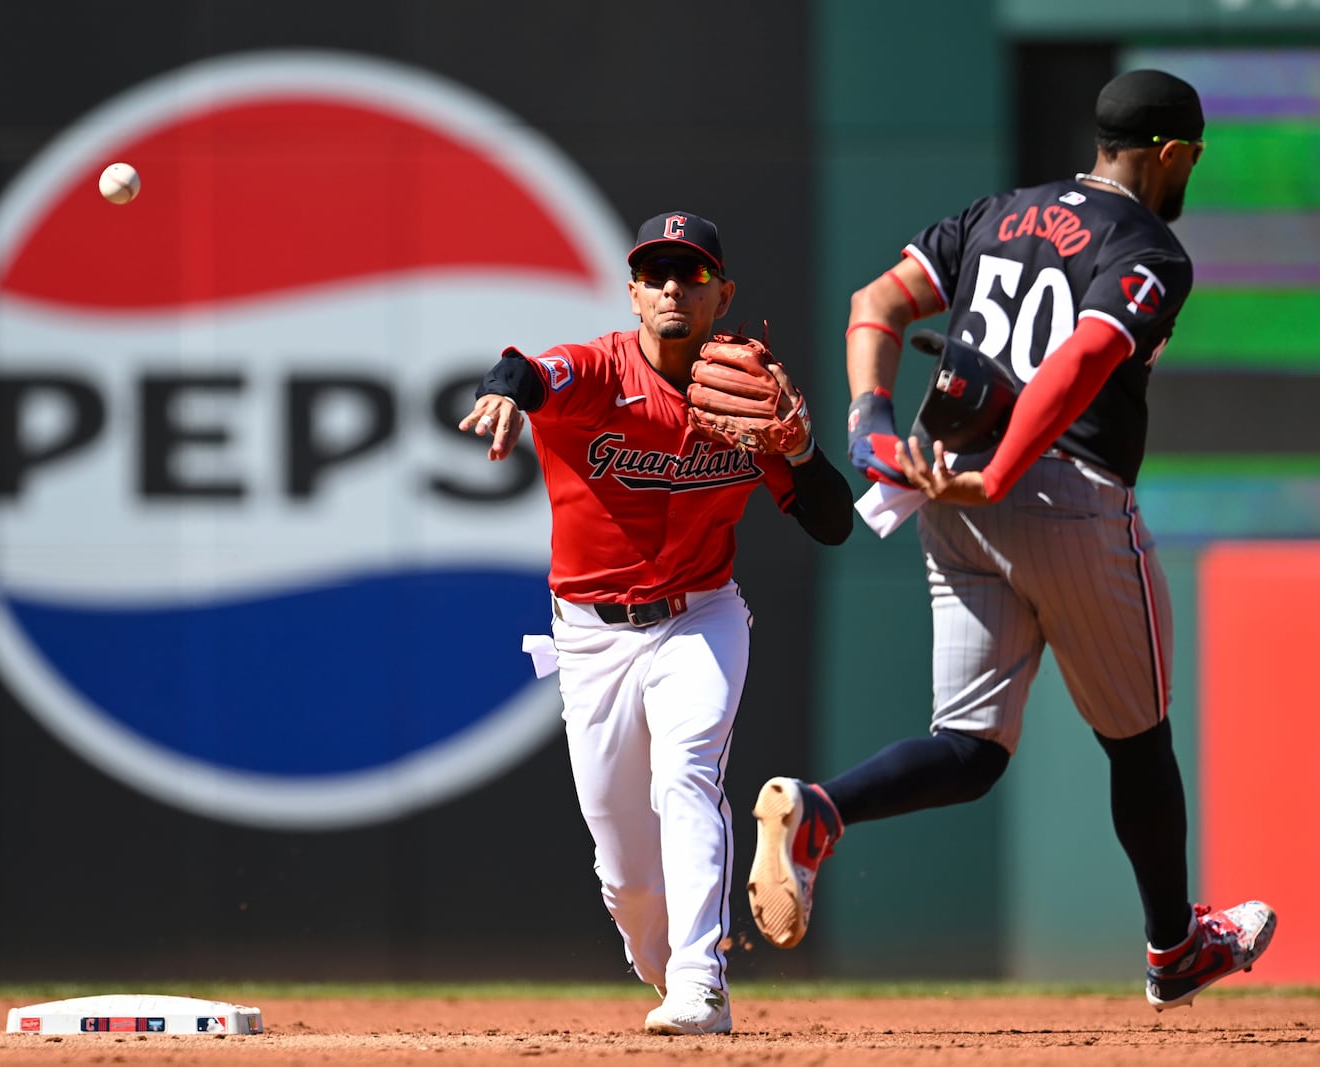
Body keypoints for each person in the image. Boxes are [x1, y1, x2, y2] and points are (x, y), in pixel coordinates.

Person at [746, 69, 1276, 1010]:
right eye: (1192, 154)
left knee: (972, 747)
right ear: (1167, 153)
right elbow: (1080, 360)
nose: (1191, 168)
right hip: (1062, 491)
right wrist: (1003, 469)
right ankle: (1173, 948)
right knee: (1140, 741)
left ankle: (820, 807)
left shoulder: (999, 213)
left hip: (944, 494)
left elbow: (877, 302)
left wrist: (871, 423)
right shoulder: (1149, 244)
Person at [459, 211, 854, 1035]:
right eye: (657, 273)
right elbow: (526, 370)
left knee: (687, 775)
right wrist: (502, 390)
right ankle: (667, 960)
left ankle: (701, 981)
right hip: (591, 634)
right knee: (627, 876)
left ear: (723, 293)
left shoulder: (748, 391)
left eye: (694, 273)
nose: (675, 286)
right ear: (634, 291)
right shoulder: (598, 370)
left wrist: (804, 448)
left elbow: (831, 523)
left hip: (701, 616)